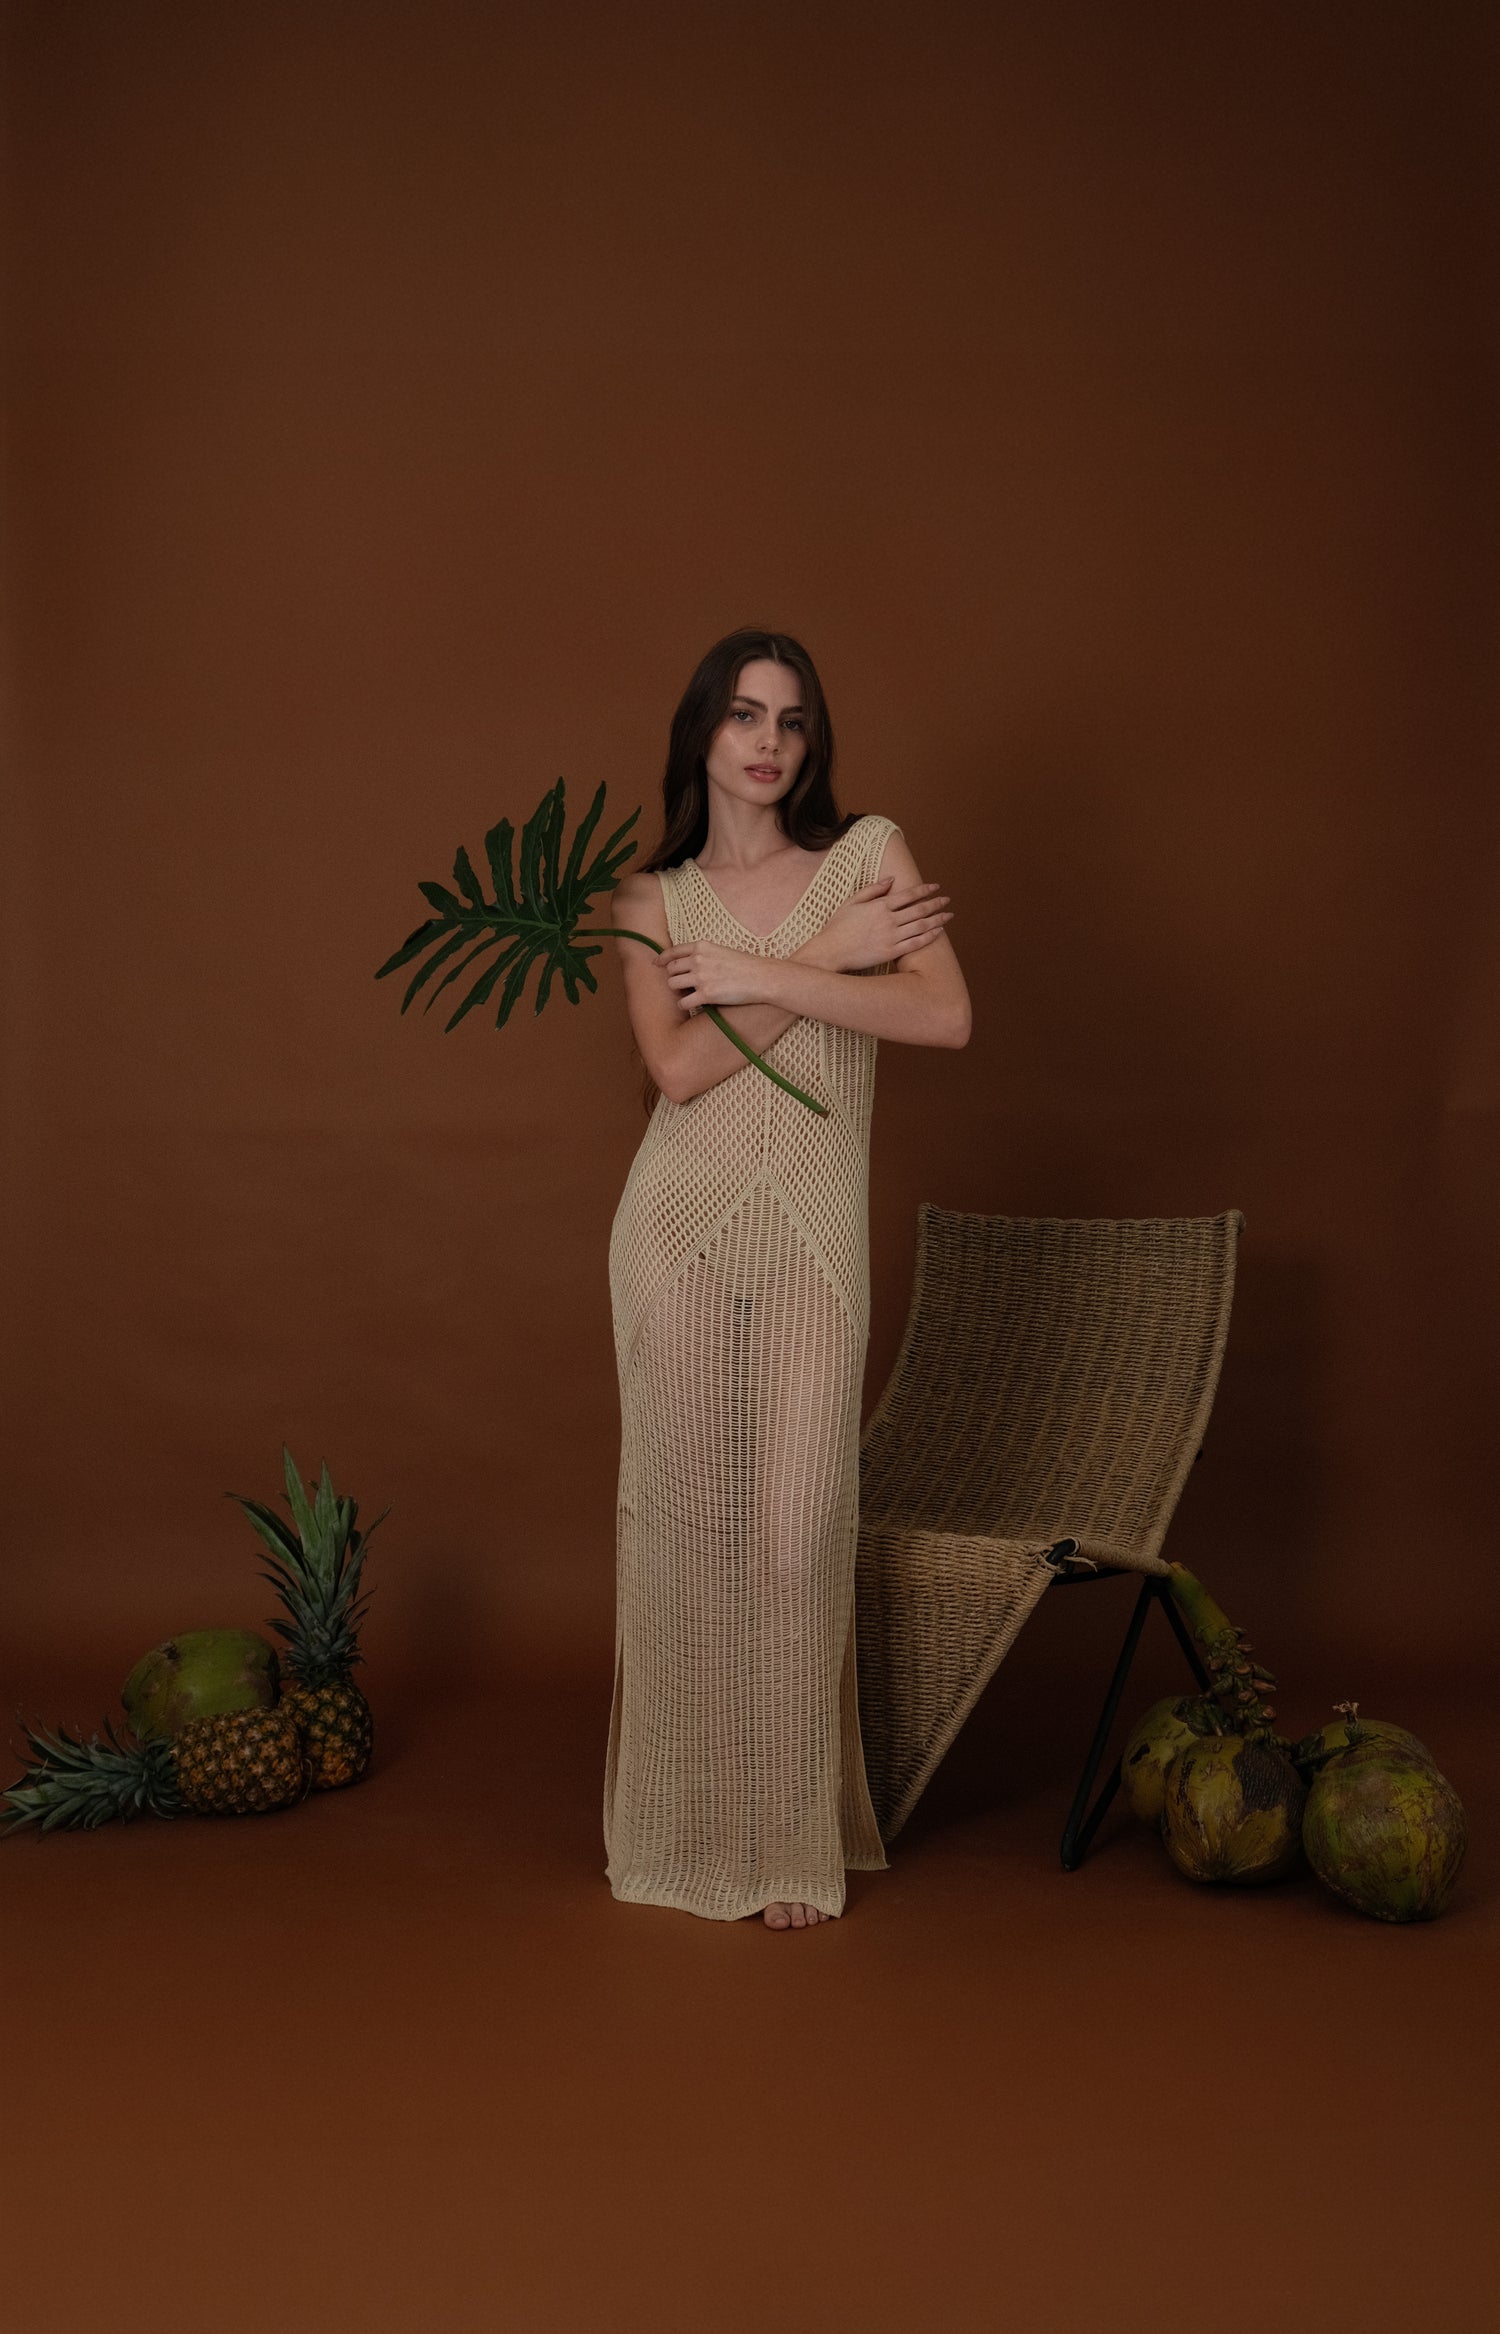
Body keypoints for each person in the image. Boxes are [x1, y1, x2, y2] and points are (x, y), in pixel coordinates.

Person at [605, 630, 970, 1929]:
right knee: (691, 1532)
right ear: (701, 733)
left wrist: (770, 969)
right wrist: (833, 959)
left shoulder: (869, 856)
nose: (768, 742)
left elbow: (946, 1016)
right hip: (676, 1232)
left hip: (814, 1232)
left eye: (792, 720)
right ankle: (699, 1829)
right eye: (744, 715)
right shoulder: (645, 900)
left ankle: (783, 1830)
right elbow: (680, 1070)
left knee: (798, 1524)